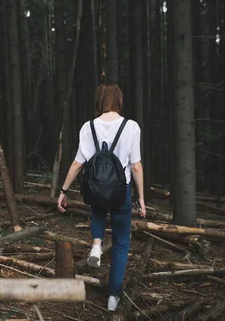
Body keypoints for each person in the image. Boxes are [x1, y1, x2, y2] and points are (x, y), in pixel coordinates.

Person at [57, 82, 146, 312]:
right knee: (120, 243)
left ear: (99, 101)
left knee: (97, 209)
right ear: (119, 100)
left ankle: (96, 243)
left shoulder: (88, 127)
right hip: (121, 191)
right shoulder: (131, 126)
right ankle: (113, 296)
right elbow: (136, 166)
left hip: (96, 189)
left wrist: (63, 191)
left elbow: (78, 163)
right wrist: (142, 198)